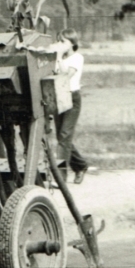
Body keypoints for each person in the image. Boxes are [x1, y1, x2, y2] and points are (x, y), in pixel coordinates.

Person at [53, 29, 91, 184]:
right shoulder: (58, 58)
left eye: (63, 41)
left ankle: (61, 177)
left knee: (64, 136)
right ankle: (81, 165)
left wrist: (57, 56)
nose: (60, 44)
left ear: (72, 44)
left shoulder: (77, 58)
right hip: (59, 97)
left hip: (72, 98)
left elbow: (65, 75)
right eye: (59, 40)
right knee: (62, 137)